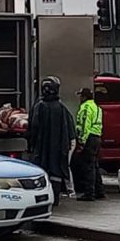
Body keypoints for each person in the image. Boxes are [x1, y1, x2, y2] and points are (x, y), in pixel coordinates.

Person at [28, 76, 75, 206]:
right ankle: (55, 197)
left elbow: (33, 127)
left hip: (41, 148)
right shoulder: (61, 108)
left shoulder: (39, 106)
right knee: (56, 172)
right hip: (58, 149)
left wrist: (32, 143)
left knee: (41, 170)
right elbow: (70, 129)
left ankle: (42, 197)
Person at [72, 87, 105, 201]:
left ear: (84, 97)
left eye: (81, 96)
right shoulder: (96, 107)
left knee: (87, 167)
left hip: (89, 138)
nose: (80, 98)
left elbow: (85, 125)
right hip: (97, 137)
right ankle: (99, 191)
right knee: (94, 165)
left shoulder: (86, 107)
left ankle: (89, 193)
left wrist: (81, 141)